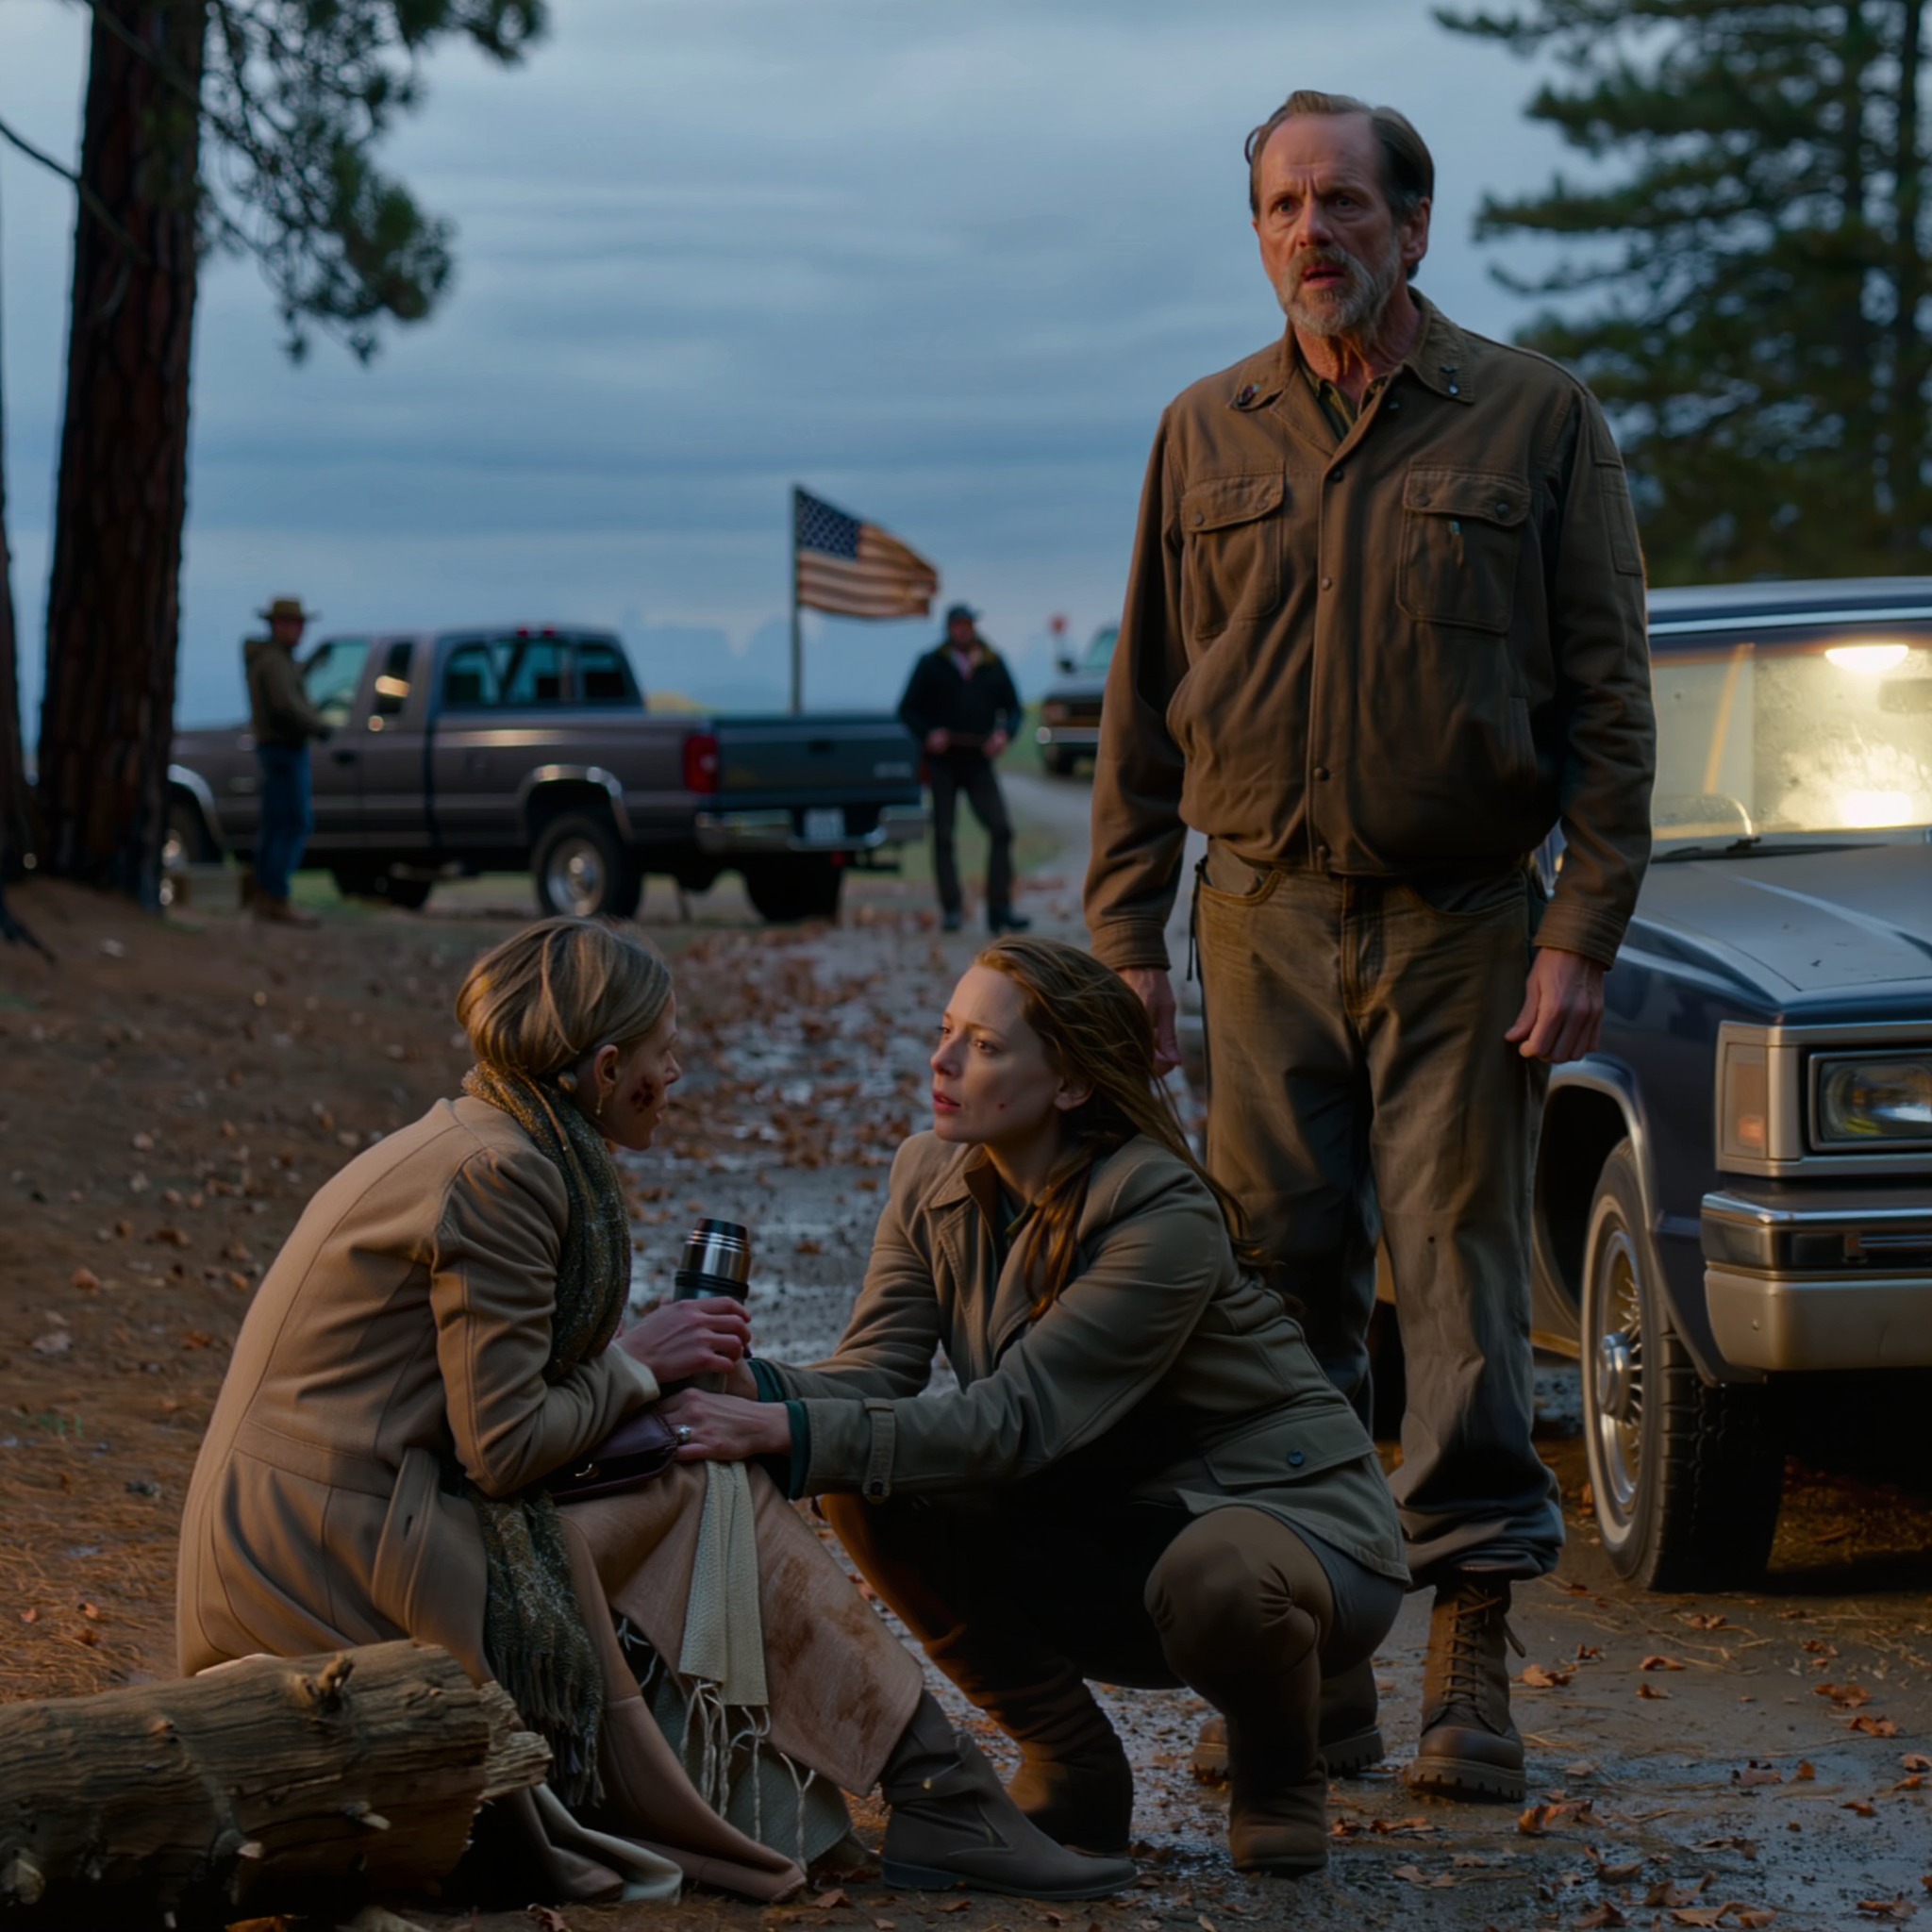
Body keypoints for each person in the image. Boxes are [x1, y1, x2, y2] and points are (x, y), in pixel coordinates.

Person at [1083, 89, 1656, 1806]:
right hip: (1254, 922)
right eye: (1277, 206)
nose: (1307, 235)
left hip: (1465, 929)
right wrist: (1121, 943)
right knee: (1271, 1297)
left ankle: (1466, 1660)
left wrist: (1579, 928)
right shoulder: (1200, 433)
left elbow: (1613, 716)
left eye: (1339, 203)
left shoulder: (1535, 422)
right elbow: (1136, 721)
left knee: (1463, 1291)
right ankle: (1308, 1659)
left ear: (1412, 225)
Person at [177, 917, 1131, 1907]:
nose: (674, 1073)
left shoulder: (493, 1136)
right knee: (699, 1476)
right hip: (332, 1561)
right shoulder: (503, 1174)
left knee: (696, 1461)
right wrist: (635, 1363)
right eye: (663, 1052)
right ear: (602, 1068)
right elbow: (505, 1448)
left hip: (345, 1520)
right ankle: (940, 1788)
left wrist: (703, 1390)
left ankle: (929, 1786)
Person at [658, 938, 1408, 1879]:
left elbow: (1015, 1419)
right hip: (1111, 1520)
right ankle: (1072, 1761)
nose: (939, 1060)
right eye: (943, 1033)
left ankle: (1280, 1772)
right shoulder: (930, 1172)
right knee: (862, 1478)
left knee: (1218, 1577)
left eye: (981, 1044)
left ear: (1067, 1084)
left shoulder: (1160, 1212)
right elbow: (872, 1374)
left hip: (1291, 1522)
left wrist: (784, 1429)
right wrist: (750, 1388)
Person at [897, 604, 1029, 935]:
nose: (963, 630)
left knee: (1001, 829)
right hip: (942, 763)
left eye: (967, 624)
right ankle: (952, 909)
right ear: (949, 628)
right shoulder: (931, 664)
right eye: (957, 624)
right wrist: (928, 735)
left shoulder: (992, 663)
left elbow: (1014, 708)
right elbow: (907, 709)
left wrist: (1004, 734)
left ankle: (1000, 906)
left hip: (979, 761)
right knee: (944, 836)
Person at [243, 595, 330, 927]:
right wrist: (318, 727)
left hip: (276, 748)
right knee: (294, 822)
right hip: (284, 749)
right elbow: (286, 707)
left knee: (277, 823)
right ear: (278, 625)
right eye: (295, 624)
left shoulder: (275, 660)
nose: (301, 631)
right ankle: (275, 897)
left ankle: (266, 895)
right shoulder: (274, 662)